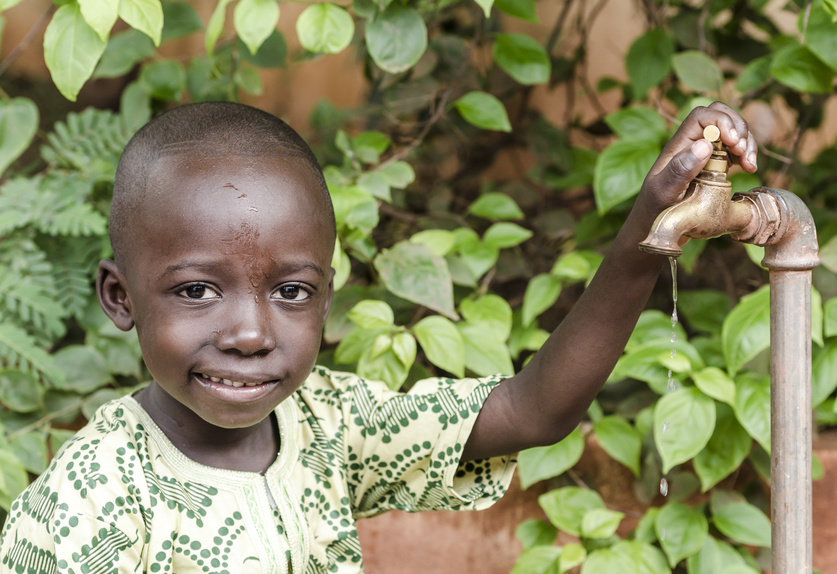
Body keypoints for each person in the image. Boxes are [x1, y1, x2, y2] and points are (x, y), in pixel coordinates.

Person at [0, 101, 757, 573]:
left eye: (291, 291)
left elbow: (532, 413)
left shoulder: (329, 424)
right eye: (196, 290)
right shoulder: (95, 501)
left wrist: (645, 232)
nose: (250, 333)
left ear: (327, 295)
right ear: (119, 296)